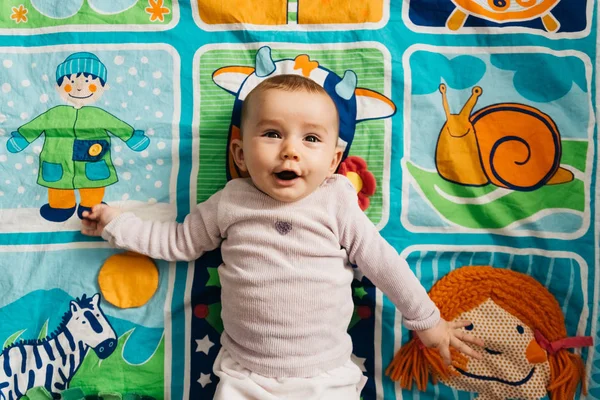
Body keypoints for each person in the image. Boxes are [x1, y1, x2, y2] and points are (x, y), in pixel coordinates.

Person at [81, 74, 483, 399]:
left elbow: (382, 261)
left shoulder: (335, 202)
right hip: (246, 377)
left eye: (310, 139)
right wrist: (118, 224)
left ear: (333, 161)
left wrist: (427, 320)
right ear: (239, 154)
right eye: (272, 134)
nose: (290, 150)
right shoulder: (231, 201)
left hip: (325, 375)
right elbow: (179, 242)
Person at [6, 52, 149, 222]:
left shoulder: (97, 114)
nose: (79, 88)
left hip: (92, 159)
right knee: (58, 184)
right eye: (71, 82)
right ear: (58, 86)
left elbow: (117, 126)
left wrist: (131, 137)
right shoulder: (55, 113)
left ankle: (90, 206)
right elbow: (36, 125)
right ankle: (61, 207)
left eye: (89, 83)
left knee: (93, 184)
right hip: (57, 158)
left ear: (102, 87)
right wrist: (22, 137)